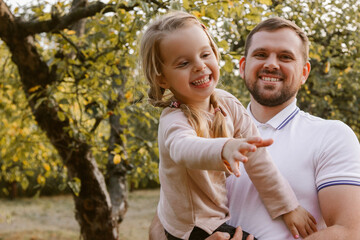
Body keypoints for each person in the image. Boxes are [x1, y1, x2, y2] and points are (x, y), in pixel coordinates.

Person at [140, 11, 317, 240]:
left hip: (214, 216)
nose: (199, 66)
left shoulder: (226, 103)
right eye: (184, 63)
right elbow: (184, 149)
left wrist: (288, 207)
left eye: (205, 54)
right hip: (191, 227)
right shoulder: (174, 118)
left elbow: (258, 158)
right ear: (162, 78)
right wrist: (225, 147)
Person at [225, 17, 360, 239]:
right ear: (243, 66)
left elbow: (350, 232)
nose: (271, 64)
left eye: (285, 57)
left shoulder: (332, 136)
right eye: (260, 54)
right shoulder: (208, 134)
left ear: (304, 72)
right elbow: (162, 225)